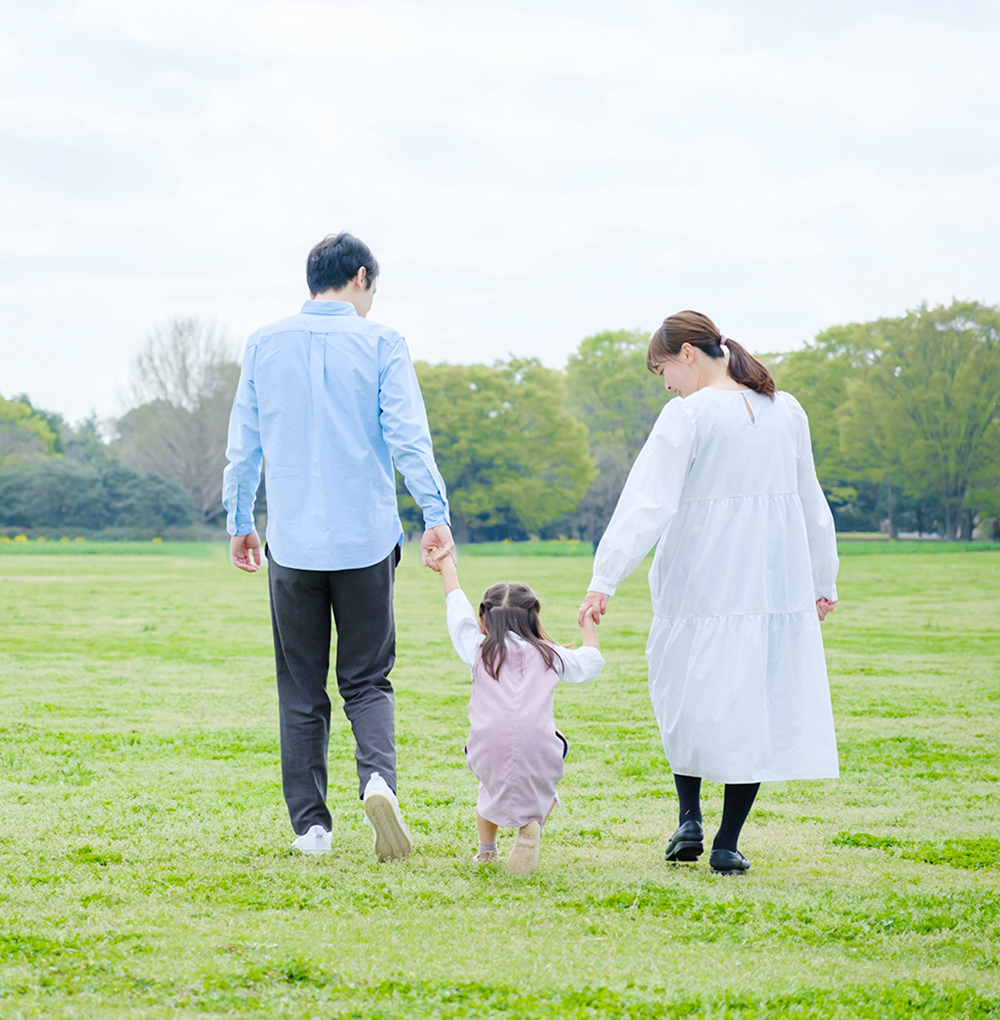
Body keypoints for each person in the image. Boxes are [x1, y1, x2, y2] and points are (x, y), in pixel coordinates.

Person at [578, 310, 839, 876]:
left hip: (700, 578)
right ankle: (723, 838)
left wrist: (605, 577)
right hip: (770, 579)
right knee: (752, 696)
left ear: (688, 355)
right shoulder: (784, 409)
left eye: (663, 369)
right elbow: (812, 501)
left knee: (685, 687)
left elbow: (646, 501)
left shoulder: (688, 415)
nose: (666, 383)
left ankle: (691, 817)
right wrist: (823, 578)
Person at [223, 231, 454, 861]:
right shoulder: (382, 342)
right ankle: (378, 780)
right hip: (366, 542)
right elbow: (410, 439)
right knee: (368, 680)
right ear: (360, 278)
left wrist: (240, 518)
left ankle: (312, 829)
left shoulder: (264, 343)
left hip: (292, 545)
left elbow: (244, 446)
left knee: (301, 689)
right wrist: (436, 515)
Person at [431, 551, 605, 874]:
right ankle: (532, 825)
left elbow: (457, 613)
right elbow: (591, 664)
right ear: (533, 618)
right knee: (547, 791)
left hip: (487, 750)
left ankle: (487, 851)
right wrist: (589, 624)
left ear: (484, 617)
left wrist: (446, 568)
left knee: (490, 789)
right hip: (540, 750)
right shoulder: (550, 654)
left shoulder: (477, 650)